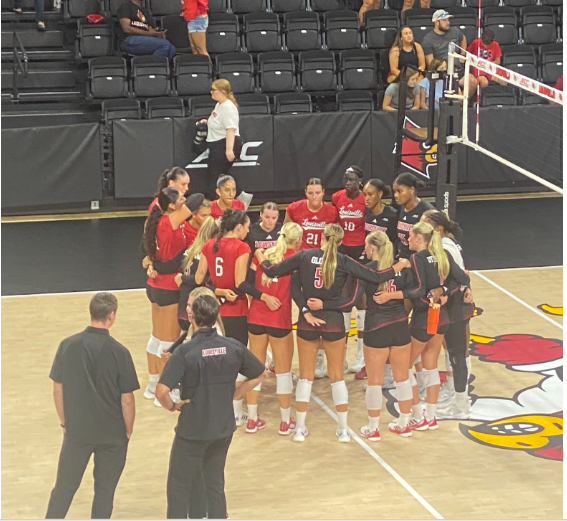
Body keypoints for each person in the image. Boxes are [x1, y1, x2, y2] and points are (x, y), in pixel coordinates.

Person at [256, 223, 409, 443]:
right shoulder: (345, 261)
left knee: (306, 378)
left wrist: (260, 255)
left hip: (307, 323)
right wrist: (399, 266)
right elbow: (373, 279)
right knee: (337, 378)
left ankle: (299, 429)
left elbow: (272, 272)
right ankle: (343, 430)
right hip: (334, 323)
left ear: (322, 237)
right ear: (340, 241)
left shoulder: (305, 255)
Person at [157, 294, 268, 519]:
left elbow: (161, 391)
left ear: (191, 316)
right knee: (214, 482)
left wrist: (172, 406)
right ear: (216, 316)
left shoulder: (185, 351)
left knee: (179, 486)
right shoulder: (233, 346)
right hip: (222, 428)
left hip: (192, 429)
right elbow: (261, 373)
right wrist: (235, 392)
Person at [312, 232, 415, 439]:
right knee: (402, 378)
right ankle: (404, 423)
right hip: (401, 326)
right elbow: (414, 295)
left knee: (375, 381)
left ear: (373, 248)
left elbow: (351, 301)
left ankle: (373, 428)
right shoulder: (403, 268)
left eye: (366, 246)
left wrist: (326, 305)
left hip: (376, 327)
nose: (364, 250)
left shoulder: (367, 270)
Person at [46, 293, 139, 519]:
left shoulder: (68, 345)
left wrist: (65, 422)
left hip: (78, 431)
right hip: (111, 434)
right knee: (105, 492)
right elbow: (127, 398)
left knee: (64, 488)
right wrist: (127, 431)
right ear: (112, 315)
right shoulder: (120, 352)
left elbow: (58, 388)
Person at [375, 221, 470, 430]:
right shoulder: (443, 253)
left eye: (410, 236)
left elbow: (418, 290)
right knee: (430, 367)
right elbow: (463, 278)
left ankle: (411, 416)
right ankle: (430, 417)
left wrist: (391, 294)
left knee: (403, 367)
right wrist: (443, 290)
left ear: (419, 238)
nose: (406, 239)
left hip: (424, 317)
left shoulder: (419, 257)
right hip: (442, 317)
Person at [142, 188, 204, 406]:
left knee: (157, 338)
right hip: (169, 287)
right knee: (168, 344)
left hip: (154, 285)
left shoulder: (154, 222)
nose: (185, 199)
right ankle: (164, 392)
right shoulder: (169, 222)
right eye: (180, 198)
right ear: (171, 205)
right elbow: (197, 199)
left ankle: (152, 385)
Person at [195, 208, 252, 426]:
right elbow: (239, 284)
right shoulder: (241, 247)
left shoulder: (208, 245)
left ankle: (213, 409)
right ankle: (235, 413)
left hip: (213, 311)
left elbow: (200, 279)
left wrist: (218, 291)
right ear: (238, 227)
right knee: (235, 360)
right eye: (247, 227)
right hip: (236, 311)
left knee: (215, 359)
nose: (248, 231)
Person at [245, 222, 304, 435]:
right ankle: (285, 421)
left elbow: (248, 284)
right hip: (280, 320)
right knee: (283, 372)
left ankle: (251, 420)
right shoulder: (296, 259)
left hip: (256, 318)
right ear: (297, 240)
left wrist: (263, 297)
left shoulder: (260, 255)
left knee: (255, 370)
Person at [421, 210, 474, 420]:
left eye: (424, 224)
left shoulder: (445, 248)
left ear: (437, 228)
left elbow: (460, 278)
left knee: (457, 354)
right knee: (455, 354)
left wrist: (443, 291)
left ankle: (461, 405)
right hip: (452, 304)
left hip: (455, 307)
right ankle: (459, 399)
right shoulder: (445, 245)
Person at [284, 177, 339, 378]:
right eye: (310, 193)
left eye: (318, 193)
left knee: (322, 307)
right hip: (303, 263)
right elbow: (287, 234)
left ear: (323, 192)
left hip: (325, 265)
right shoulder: (294, 209)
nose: (314, 197)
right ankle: (311, 359)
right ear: (305, 192)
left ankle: (322, 359)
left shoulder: (332, 211)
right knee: (304, 306)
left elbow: (335, 237)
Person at [354, 178, 399, 381]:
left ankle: (389, 366)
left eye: (370, 194)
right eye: (364, 194)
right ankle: (363, 360)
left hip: (387, 267)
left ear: (380, 194)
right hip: (369, 264)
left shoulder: (392, 215)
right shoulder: (366, 213)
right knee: (363, 307)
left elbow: (396, 243)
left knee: (387, 310)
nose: (366, 198)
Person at [332, 166, 367, 375]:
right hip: (343, 252)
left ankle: (361, 356)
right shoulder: (337, 197)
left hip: (361, 252)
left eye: (352, 180)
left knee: (361, 301)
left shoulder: (365, 199)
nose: (348, 183)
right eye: (345, 179)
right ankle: (341, 356)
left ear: (360, 181)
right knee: (344, 301)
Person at [199, 79, 252, 207]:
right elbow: (219, 122)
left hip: (225, 144)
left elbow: (230, 129)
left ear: (222, 91)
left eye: (214, 89)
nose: (211, 92)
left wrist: (229, 150)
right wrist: (207, 122)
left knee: (214, 176)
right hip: (217, 144)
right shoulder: (219, 105)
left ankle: (215, 205)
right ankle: (241, 195)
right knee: (221, 174)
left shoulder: (228, 107)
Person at [421, 10, 477, 95]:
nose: (448, 22)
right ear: (437, 22)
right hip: (443, 72)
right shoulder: (428, 40)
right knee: (453, 87)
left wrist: (462, 54)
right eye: (444, 20)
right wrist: (443, 68)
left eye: (448, 20)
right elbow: (431, 63)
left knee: (472, 81)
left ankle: (463, 104)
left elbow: (463, 38)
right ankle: (459, 103)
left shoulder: (455, 31)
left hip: (457, 69)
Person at [392, 172, 434, 259]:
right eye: (394, 191)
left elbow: (432, 242)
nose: (396, 195)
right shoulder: (401, 208)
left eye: (399, 191)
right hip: (402, 259)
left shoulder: (426, 210)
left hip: (418, 261)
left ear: (411, 190)